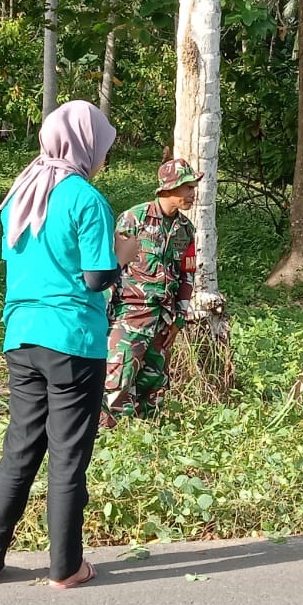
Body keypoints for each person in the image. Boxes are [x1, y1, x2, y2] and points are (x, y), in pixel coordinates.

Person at [0, 100, 118, 590]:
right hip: (73, 340)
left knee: (21, 446)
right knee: (68, 454)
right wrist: (122, 255)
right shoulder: (85, 198)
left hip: (22, 336)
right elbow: (96, 278)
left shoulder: (19, 194)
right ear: (85, 144)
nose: (103, 157)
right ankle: (65, 567)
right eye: (102, 147)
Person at [100, 158, 201, 427]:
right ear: (169, 188)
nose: (192, 193)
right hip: (129, 315)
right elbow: (113, 267)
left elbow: (187, 275)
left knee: (154, 384)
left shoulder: (186, 230)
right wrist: (104, 315)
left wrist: (179, 319)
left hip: (163, 319)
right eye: (187, 187)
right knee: (117, 381)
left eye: (193, 187)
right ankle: (112, 437)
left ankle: (147, 435)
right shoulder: (134, 219)